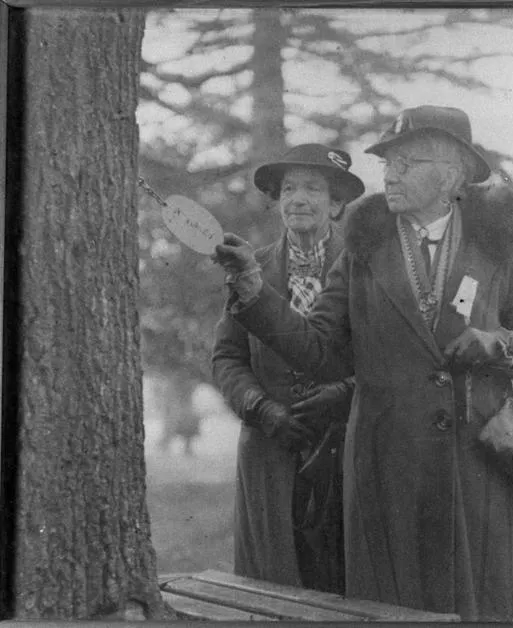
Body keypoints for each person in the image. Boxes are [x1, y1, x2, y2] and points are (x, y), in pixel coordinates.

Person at [211, 105, 513, 621]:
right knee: (391, 609)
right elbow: (320, 350)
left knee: (484, 608)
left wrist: (499, 344)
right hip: (384, 471)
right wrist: (255, 290)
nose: (389, 174)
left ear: (452, 174)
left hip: (480, 471)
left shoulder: (498, 246)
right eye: (386, 162)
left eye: (406, 162)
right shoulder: (364, 247)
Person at [211, 143, 365, 594]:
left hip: (344, 448)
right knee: (273, 583)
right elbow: (227, 356)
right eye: (289, 189)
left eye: (313, 189)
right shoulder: (250, 268)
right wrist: (261, 409)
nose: (297, 199)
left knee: (344, 581)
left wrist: (345, 393)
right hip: (271, 451)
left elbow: (386, 356)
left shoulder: (364, 268)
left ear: (336, 204)